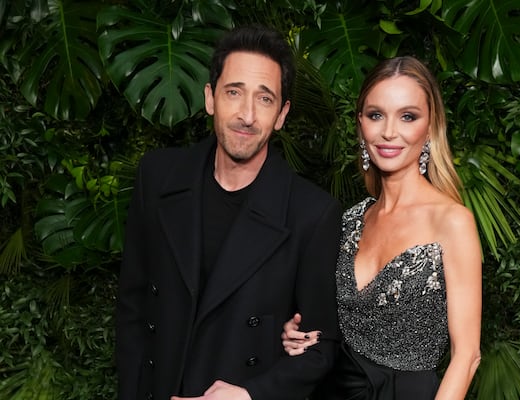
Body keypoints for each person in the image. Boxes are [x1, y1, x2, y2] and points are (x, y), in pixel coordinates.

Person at [116, 25, 342, 400]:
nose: (247, 115)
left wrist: (252, 395)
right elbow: (133, 308)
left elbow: (321, 347)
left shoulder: (311, 213)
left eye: (265, 99)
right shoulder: (157, 177)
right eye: (234, 93)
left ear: (282, 114)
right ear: (210, 98)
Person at [281, 56, 482, 399]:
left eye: (408, 116)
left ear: (430, 126)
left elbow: (467, 356)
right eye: (376, 115)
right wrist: (296, 332)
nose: (389, 131)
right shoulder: (349, 220)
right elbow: (332, 320)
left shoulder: (452, 221)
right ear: (360, 124)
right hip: (333, 390)